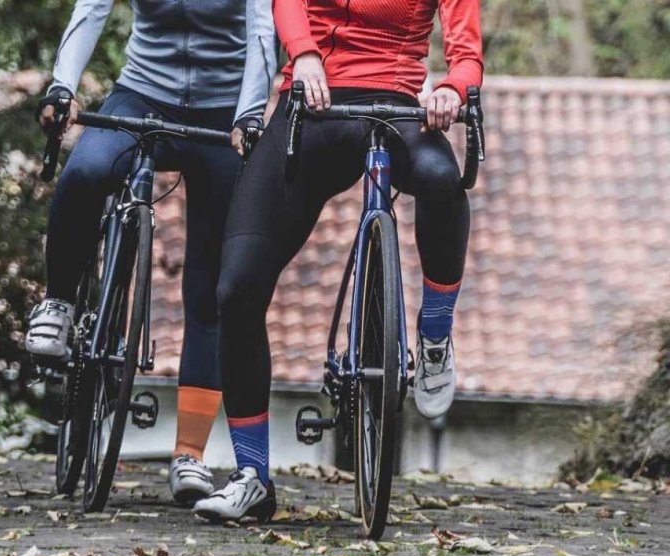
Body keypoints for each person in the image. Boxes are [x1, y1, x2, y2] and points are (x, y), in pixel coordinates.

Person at [193, 0, 483, 521]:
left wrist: (450, 89)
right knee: (236, 288)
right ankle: (252, 475)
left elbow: (466, 54)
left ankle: (435, 335)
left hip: (397, 106)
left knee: (443, 182)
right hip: (314, 105)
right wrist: (303, 55)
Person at [25, 0, 276, 504]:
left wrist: (249, 112)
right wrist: (63, 84)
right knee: (85, 174)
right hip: (143, 93)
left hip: (223, 108)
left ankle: (190, 454)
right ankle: (58, 302)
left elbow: (263, 32)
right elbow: (91, 9)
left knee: (210, 289)